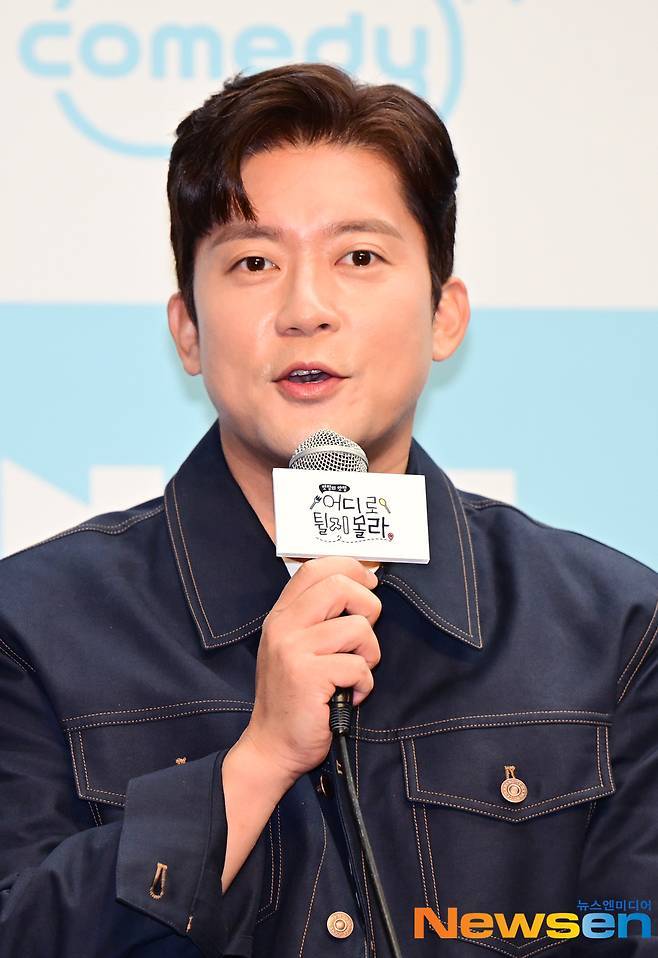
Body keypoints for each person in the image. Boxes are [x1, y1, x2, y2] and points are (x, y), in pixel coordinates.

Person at [1, 62, 657, 958]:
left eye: (359, 258)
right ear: (188, 329)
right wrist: (255, 763)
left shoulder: (613, 631)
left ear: (444, 315)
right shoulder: (31, 628)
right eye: (254, 262)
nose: (305, 308)